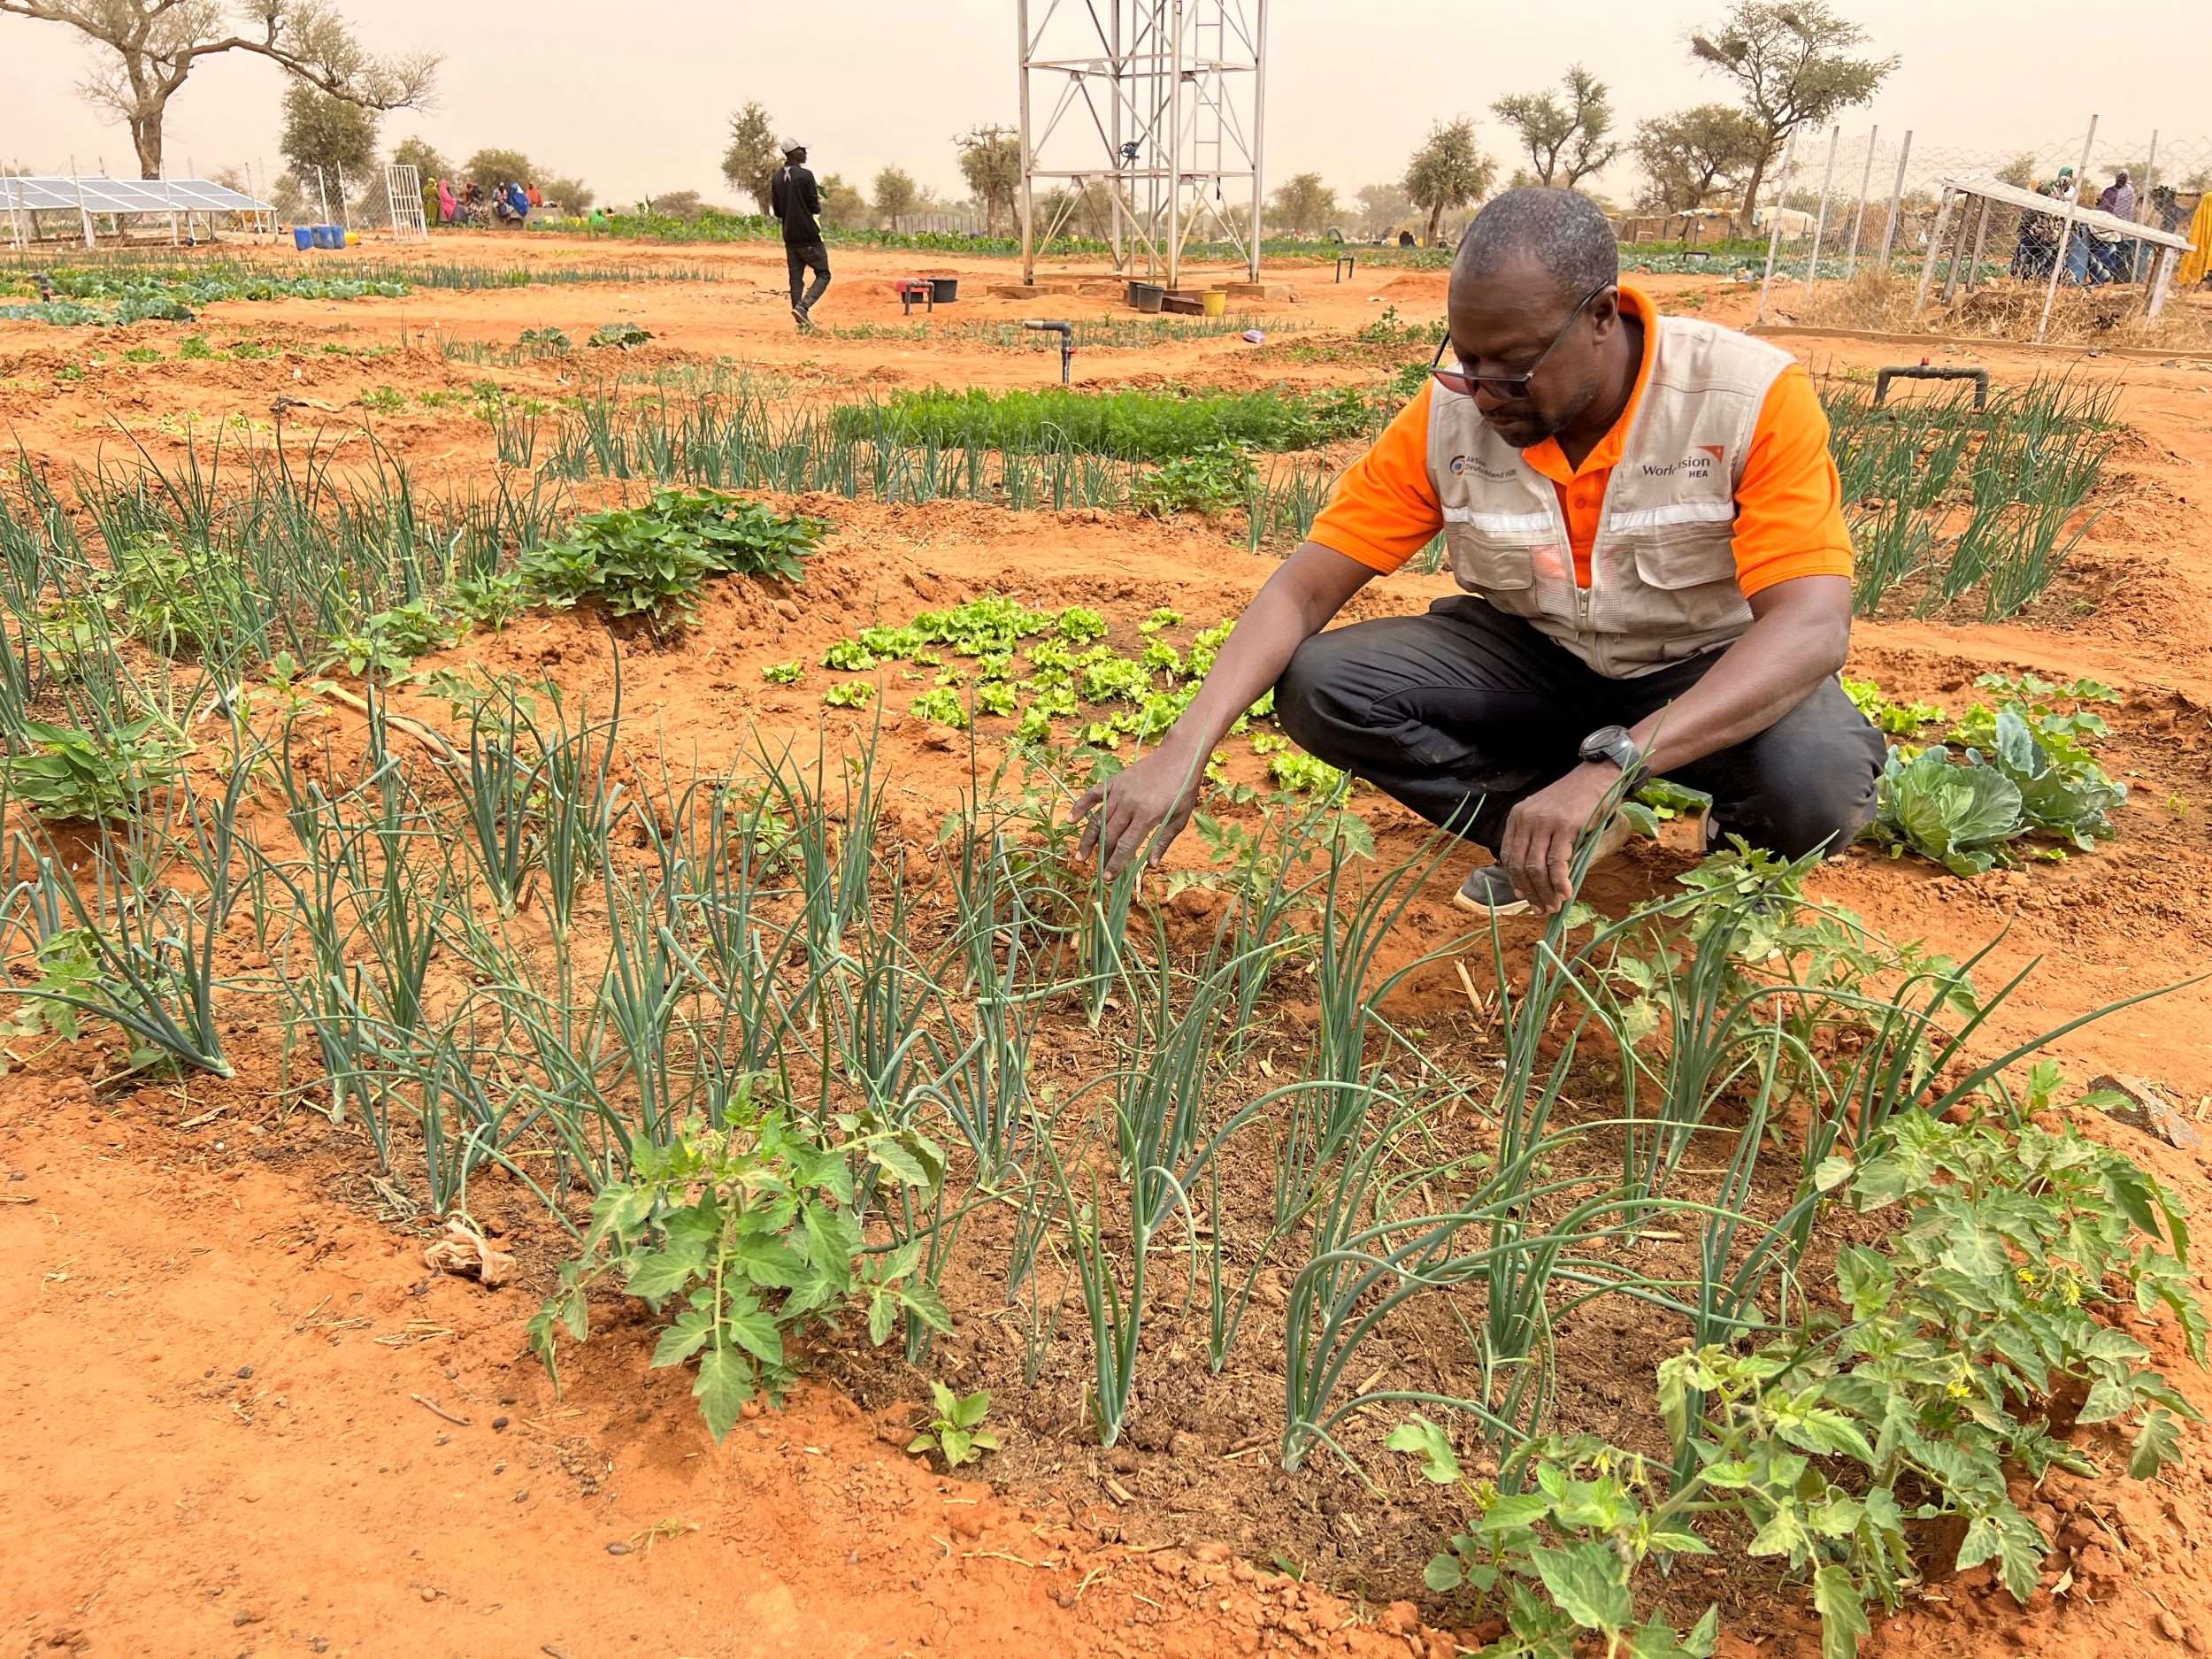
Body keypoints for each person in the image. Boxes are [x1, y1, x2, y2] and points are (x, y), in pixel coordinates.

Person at [1074, 186, 1884, 918]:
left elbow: (1812, 627)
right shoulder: (1451, 413)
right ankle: (1541, 829)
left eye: (1517, 367)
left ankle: (1729, 854)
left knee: (1814, 784)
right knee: (1323, 683)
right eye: (1468, 360)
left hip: (1698, 666)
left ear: (1603, 316)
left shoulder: (1745, 398)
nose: (1487, 392)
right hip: (1541, 660)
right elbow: (1304, 589)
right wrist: (1183, 748)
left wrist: (1614, 761)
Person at [771, 138, 831, 332]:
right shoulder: (806, 176)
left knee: (795, 279)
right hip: (809, 234)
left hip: (789, 235)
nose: (805, 153)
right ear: (794, 152)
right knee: (823, 273)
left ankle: (801, 323)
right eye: (803, 150)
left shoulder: (776, 177)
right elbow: (814, 206)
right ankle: (803, 307)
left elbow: (778, 211)